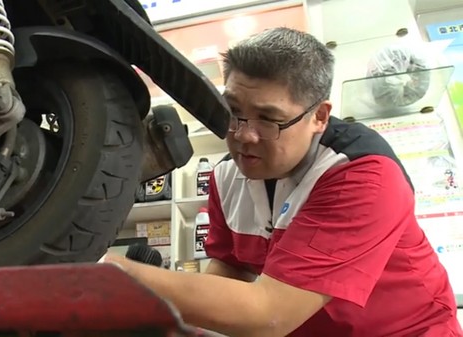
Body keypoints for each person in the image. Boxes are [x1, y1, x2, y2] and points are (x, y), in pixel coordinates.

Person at [103, 27, 463, 337]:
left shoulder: (361, 176)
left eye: (268, 119)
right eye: (233, 112)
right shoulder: (228, 176)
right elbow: (232, 268)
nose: (243, 134)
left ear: (319, 116)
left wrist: (116, 274)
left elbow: (270, 315)